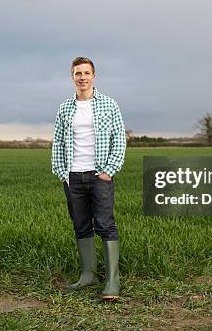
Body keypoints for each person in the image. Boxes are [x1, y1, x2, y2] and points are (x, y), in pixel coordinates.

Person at [51, 56, 126, 300]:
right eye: (77, 73)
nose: (82, 77)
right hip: (73, 176)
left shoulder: (109, 105)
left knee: (105, 224)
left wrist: (109, 171)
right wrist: (62, 173)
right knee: (80, 224)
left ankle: (112, 280)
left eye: (86, 73)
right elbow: (58, 143)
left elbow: (119, 140)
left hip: (99, 175)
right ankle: (88, 275)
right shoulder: (65, 107)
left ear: (94, 76)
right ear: (72, 77)